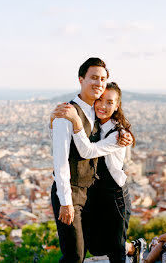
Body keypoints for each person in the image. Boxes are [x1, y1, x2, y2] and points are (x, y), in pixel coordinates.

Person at [50, 58, 132, 263]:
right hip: (72, 193)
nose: (99, 83)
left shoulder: (95, 111)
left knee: (95, 246)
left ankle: (128, 247)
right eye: (93, 77)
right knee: (74, 255)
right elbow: (60, 161)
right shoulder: (67, 113)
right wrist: (66, 202)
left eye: (103, 79)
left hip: (91, 193)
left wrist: (125, 134)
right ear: (81, 79)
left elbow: (108, 129)